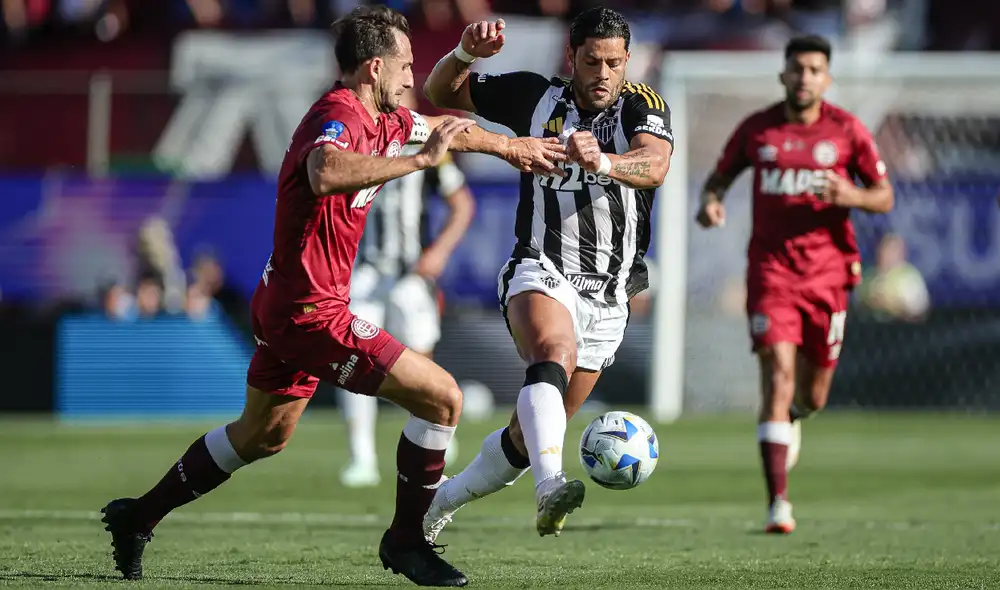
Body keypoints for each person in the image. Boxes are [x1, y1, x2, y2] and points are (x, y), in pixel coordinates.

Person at [98, 5, 566, 587]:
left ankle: (136, 516)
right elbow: (324, 170)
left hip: (286, 301)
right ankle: (407, 542)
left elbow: (446, 130)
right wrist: (416, 163)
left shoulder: (386, 117)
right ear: (374, 68)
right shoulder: (339, 113)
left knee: (262, 435)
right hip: (311, 312)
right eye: (405, 66)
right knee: (443, 400)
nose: (410, 77)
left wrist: (510, 147)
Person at [421, 7, 673, 541]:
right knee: (551, 356)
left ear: (627, 61)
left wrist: (602, 161)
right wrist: (465, 52)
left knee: (524, 436)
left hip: (609, 294)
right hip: (543, 264)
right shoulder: (536, 97)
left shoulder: (641, 105)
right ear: (572, 58)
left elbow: (654, 166)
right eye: (591, 61)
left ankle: (434, 504)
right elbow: (441, 90)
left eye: (614, 62)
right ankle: (551, 486)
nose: (603, 73)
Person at [694, 35, 894, 534]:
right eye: (797, 68)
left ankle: (797, 415)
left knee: (813, 394)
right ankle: (777, 503)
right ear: (782, 74)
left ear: (826, 78)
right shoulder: (757, 129)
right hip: (771, 272)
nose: (804, 77)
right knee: (777, 374)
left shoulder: (847, 132)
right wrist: (711, 201)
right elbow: (719, 178)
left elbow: (885, 195)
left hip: (829, 276)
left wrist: (850, 193)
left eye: (814, 70)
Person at [338, 87, 472, 488]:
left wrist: (439, 252)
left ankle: (434, 438)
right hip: (363, 272)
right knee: (353, 360)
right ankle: (361, 456)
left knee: (421, 361)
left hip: (410, 274)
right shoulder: (357, 135)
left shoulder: (428, 142)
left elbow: (461, 204)